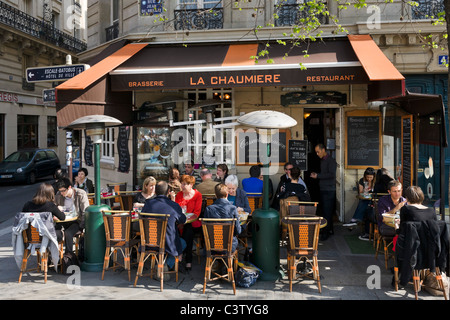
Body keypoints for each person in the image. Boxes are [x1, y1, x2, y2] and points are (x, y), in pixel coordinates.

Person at [394, 186, 438, 288]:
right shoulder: (431, 211)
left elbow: (402, 232)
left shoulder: (406, 209)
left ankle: (402, 273)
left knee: (397, 242)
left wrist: (396, 225)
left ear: (407, 197)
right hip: (429, 250)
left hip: (411, 249)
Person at [141, 181, 187, 271]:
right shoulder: (173, 205)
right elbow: (182, 220)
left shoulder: (148, 204)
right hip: (169, 242)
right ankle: (166, 265)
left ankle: (158, 263)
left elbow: (142, 218)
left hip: (150, 241)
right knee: (183, 243)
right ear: (168, 191)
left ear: (155, 192)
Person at [55, 177, 90, 253]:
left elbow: (85, 212)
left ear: (69, 187)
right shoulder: (58, 195)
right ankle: (54, 257)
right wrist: (57, 208)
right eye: (60, 191)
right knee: (53, 232)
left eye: (63, 191)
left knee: (68, 233)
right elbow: (54, 208)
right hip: (62, 220)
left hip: (77, 221)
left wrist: (81, 227)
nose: (61, 193)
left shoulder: (81, 194)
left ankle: (69, 256)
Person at [175, 175, 203, 270]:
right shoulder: (179, 195)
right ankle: (180, 256)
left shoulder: (197, 195)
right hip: (180, 221)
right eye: (181, 184)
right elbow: (176, 210)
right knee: (174, 230)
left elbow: (197, 213)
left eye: (184, 184)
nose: (182, 186)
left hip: (193, 222)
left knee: (188, 231)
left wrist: (185, 221)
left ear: (191, 185)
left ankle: (187, 258)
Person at [204, 183, 242, 253]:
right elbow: (238, 231)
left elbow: (206, 230)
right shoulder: (232, 208)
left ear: (215, 195)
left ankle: (215, 262)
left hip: (212, 245)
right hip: (229, 245)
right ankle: (228, 263)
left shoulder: (208, 209)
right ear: (227, 194)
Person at [310, 143, 337, 240]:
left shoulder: (331, 161)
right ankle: (329, 230)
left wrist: (318, 176)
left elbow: (331, 175)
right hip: (324, 188)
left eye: (318, 151)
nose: (317, 154)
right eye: (316, 152)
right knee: (326, 211)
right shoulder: (323, 161)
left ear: (323, 150)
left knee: (327, 212)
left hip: (329, 189)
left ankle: (326, 233)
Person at [343, 167, 377, 241]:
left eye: (371, 177)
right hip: (367, 199)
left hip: (374, 200)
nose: (369, 179)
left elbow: (376, 193)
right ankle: (355, 220)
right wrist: (365, 191)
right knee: (364, 202)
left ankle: (355, 220)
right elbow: (361, 193)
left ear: (374, 176)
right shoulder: (362, 180)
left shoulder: (376, 181)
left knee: (364, 203)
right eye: (367, 177)